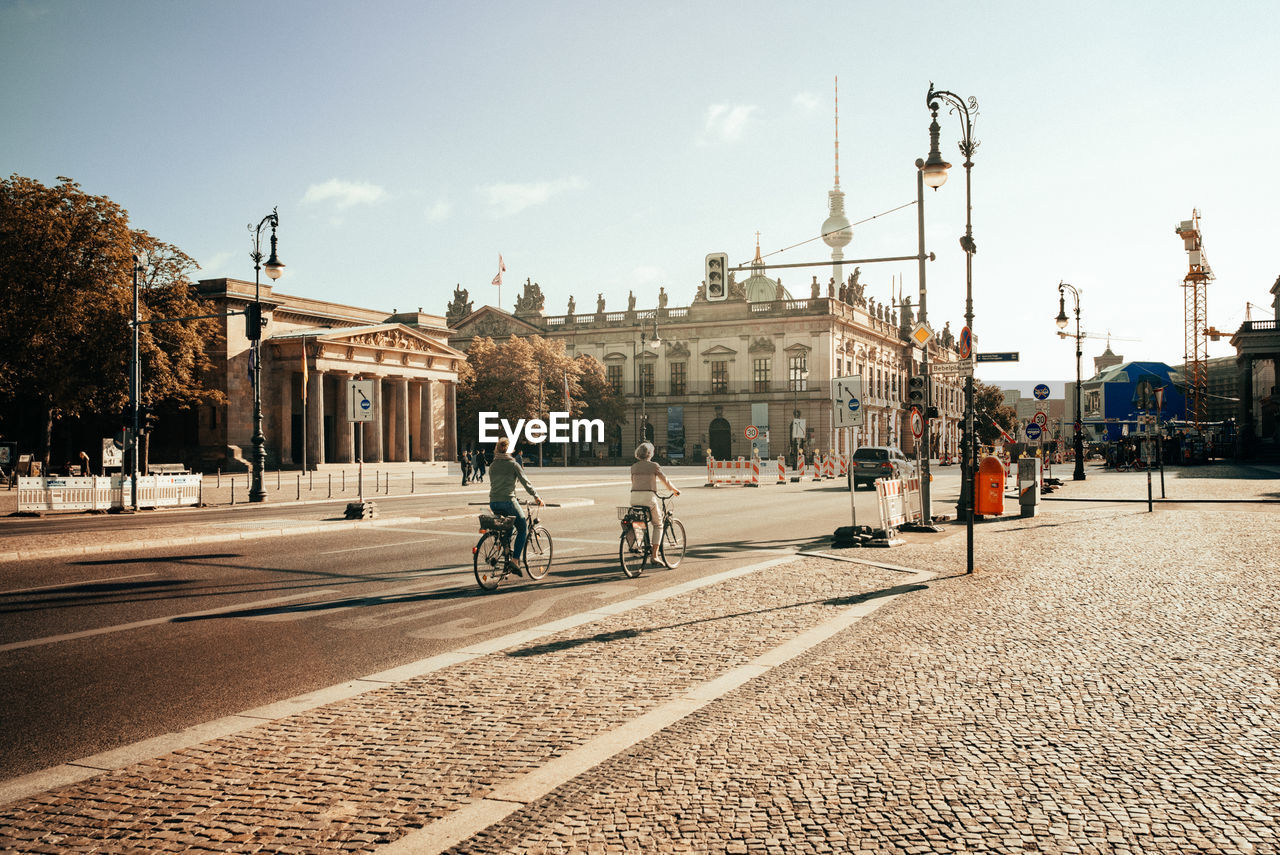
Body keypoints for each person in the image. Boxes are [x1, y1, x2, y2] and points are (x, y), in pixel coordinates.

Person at [489, 438, 542, 574]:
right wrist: (536, 496)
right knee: (522, 528)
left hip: (493, 501)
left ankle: (506, 548)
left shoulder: (493, 465)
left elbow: (497, 484)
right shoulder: (513, 464)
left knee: (509, 526)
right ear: (510, 450)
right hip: (508, 501)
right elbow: (525, 482)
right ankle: (515, 560)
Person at [629, 441, 681, 565]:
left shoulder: (634, 467)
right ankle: (654, 555)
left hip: (634, 497)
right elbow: (665, 480)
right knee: (658, 524)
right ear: (650, 453)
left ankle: (640, 543)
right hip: (648, 497)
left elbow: (633, 482)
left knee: (640, 521)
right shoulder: (654, 466)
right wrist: (675, 490)